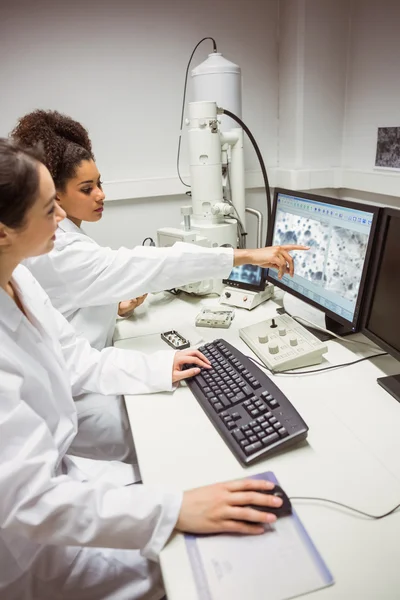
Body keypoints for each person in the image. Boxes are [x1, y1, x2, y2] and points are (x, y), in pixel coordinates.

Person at [0, 138, 284, 600]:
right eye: (50, 207)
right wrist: (173, 512)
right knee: (207, 567)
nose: (61, 221)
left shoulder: (20, 278)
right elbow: (28, 500)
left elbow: (76, 357)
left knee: (182, 476)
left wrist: (161, 365)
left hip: (64, 479)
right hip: (31, 552)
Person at [11, 109, 308, 464]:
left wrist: (115, 310)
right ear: (55, 197)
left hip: (89, 376)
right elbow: (140, 265)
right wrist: (245, 255)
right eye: (87, 189)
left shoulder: (30, 270)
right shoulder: (56, 250)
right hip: (75, 407)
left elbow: (74, 335)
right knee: (178, 434)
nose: (101, 195)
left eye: (100, 183)